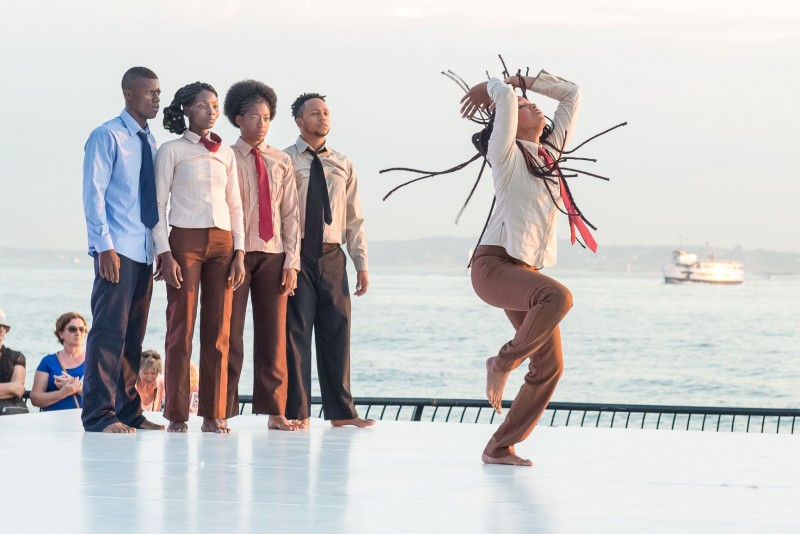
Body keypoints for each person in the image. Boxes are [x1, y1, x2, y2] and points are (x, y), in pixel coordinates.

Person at [459, 69, 581, 466]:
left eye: (532, 103)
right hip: (493, 266)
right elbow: (507, 101)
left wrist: (523, 80)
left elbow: (571, 93)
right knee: (558, 296)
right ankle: (503, 361)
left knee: (550, 366)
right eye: (527, 105)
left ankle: (499, 446)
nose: (533, 105)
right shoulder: (506, 155)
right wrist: (495, 87)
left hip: (523, 272)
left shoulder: (549, 155)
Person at [154, 81, 245, 434]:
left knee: (219, 332)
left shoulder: (225, 153)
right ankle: (177, 413)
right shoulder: (172, 150)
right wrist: (165, 252)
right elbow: (158, 206)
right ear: (186, 110)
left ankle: (214, 412)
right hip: (184, 243)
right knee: (181, 330)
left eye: (215, 105)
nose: (211, 110)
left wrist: (239, 251)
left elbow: (235, 205)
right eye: (203, 105)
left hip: (223, 243)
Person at [81, 66, 165, 433]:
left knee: (133, 337)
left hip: (144, 252)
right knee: (107, 335)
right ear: (129, 94)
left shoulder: (151, 142)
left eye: (159, 93)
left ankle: (128, 411)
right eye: (150, 93)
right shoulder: (107, 136)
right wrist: (104, 247)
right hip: (116, 249)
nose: (157, 99)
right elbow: (93, 195)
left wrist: (160, 249)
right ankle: (99, 414)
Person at [283, 93, 374, 429]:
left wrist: (361, 262)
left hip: (333, 254)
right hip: (297, 254)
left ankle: (342, 414)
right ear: (299, 121)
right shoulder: (284, 160)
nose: (322, 118)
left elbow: (354, 217)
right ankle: (297, 412)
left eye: (326, 112)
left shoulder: (343, 163)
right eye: (314, 113)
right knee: (296, 333)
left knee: (338, 331)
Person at [223, 80, 300, 431]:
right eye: (254, 117)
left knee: (273, 336)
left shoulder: (281, 160)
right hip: (234, 255)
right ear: (239, 118)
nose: (262, 123)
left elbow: (290, 215)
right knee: (230, 334)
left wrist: (292, 262)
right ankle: (222, 408)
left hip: (273, 255)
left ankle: (275, 412)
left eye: (267, 117)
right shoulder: (224, 156)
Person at [30, 312, 88, 411]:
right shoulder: (48, 362)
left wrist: (76, 387)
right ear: (61, 334)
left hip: (84, 420)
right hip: (53, 420)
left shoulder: (95, 361)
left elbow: (105, 395)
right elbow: (35, 398)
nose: (78, 333)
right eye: (72, 329)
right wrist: (63, 392)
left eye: (82, 329)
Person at [0, 309, 28, 415]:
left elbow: (18, 389)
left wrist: (13, 387)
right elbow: (13, 387)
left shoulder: (16, 356)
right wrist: (9, 388)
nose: (1, 329)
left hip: (10, 415)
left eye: (3, 326)